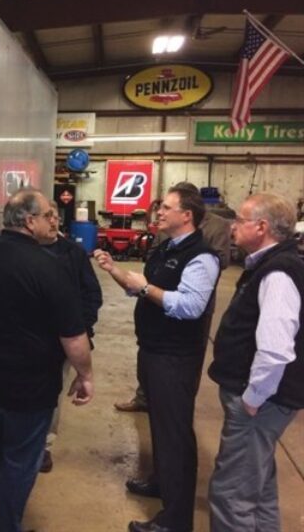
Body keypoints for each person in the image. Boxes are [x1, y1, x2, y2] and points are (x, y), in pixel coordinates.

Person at [0, 188, 94, 532]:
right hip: (31, 389)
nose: (54, 220)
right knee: (18, 461)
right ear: (29, 222)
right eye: (48, 214)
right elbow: (73, 336)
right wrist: (85, 374)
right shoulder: (50, 268)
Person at [94, 186, 220, 532]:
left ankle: (176, 521)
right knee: (161, 427)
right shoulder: (166, 247)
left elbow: (190, 307)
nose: (159, 212)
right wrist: (114, 271)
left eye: (166, 207)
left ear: (187, 215)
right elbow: (140, 287)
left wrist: (146, 288)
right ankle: (162, 482)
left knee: (174, 433)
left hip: (175, 357)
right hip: (153, 349)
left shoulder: (201, 256)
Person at [207, 192, 303, 532]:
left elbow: (276, 349)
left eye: (240, 220)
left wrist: (253, 397)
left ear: (261, 227)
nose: (233, 226)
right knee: (258, 487)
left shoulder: (278, 273)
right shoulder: (269, 265)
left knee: (231, 494)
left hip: (261, 404)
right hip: (267, 402)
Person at [115, 182, 231, 413]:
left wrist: (186, 260)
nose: (160, 212)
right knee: (148, 351)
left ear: (188, 210)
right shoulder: (167, 232)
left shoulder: (216, 229)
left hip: (192, 299)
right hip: (156, 300)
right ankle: (145, 396)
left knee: (183, 366)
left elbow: (220, 261)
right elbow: (155, 254)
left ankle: (178, 399)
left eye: (168, 207)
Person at [40, 200, 103, 473]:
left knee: (52, 394)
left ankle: (44, 446)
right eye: (47, 216)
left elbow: (92, 296)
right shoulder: (21, 253)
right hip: (27, 340)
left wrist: (82, 330)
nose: (53, 221)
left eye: (55, 216)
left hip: (61, 342)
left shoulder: (72, 253)